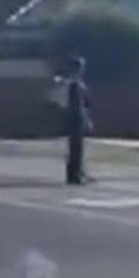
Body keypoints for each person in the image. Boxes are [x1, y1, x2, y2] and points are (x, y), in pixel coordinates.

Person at [60, 55, 92, 185]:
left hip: (75, 117)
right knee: (76, 148)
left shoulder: (76, 84)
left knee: (76, 148)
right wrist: (84, 119)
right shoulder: (75, 85)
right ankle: (74, 176)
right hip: (75, 118)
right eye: (80, 67)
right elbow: (78, 106)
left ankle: (76, 173)